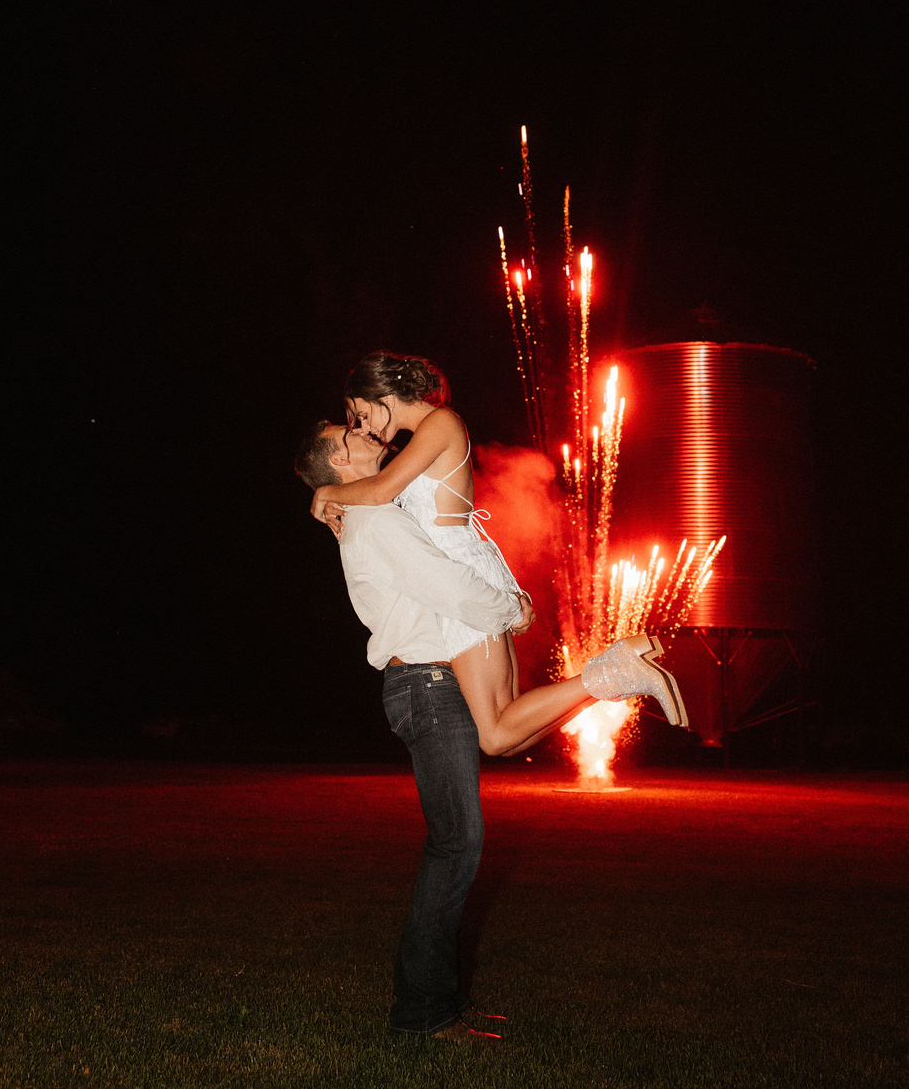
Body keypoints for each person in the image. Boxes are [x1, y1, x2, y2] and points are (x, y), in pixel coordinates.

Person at [295, 418, 686, 1042]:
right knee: (456, 844)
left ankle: (612, 674)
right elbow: (443, 583)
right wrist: (513, 608)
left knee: (500, 758)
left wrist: (328, 498)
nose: (366, 431)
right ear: (340, 462)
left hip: (435, 676)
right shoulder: (370, 515)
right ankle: (424, 1016)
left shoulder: (371, 506)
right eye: (352, 434)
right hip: (425, 682)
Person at [309, 351, 689, 753]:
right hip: (467, 569)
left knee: (494, 735)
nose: (362, 426)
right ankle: (614, 676)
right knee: (506, 742)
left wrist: (326, 492)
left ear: (380, 393)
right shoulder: (422, 439)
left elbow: (382, 490)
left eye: (359, 414)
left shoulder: (440, 422)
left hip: (463, 572)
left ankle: (618, 668)